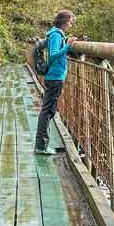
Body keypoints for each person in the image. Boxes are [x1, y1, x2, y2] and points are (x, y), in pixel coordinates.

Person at [34, 9, 77, 155]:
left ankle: (41, 144)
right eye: (70, 22)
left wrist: (66, 43)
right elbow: (52, 56)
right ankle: (41, 146)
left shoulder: (56, 35)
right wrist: (67, 46)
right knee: (47, 111)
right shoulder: (56, 35)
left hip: (55, 77)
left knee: (48, 111)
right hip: (55, 78)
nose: (71, 25)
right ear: (64, 22)